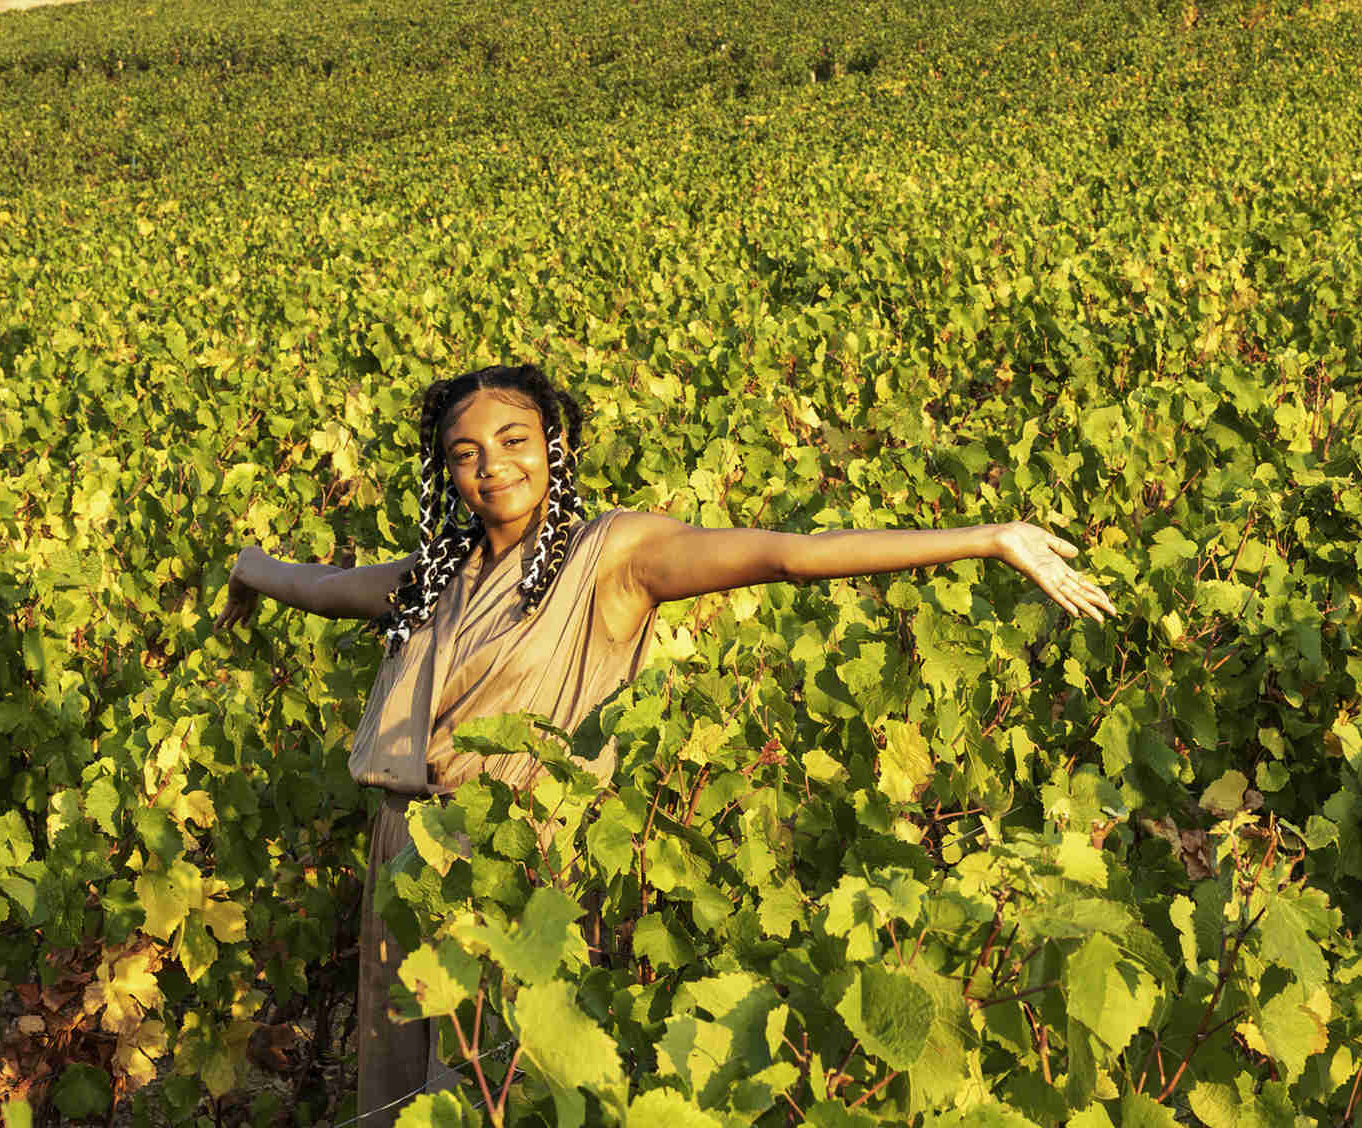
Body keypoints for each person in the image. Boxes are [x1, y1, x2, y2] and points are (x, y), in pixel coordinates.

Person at [221, 364, 1113, 1126]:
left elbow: (786, 553)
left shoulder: (612, 554)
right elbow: (322, 585)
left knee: (504, 1083)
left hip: (518, 862)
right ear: (446, 472)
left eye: (515, 440)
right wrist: (245, 572)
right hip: (406, 858)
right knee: (404, 1094)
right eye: (467, 452)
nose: (494, 466)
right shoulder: (439, 579)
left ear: (554, 447)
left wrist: (988, 540)